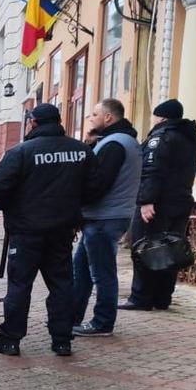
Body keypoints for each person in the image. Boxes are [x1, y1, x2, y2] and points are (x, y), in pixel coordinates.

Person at [0, 103, 105, 357]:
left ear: (34, 123)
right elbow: (95, 188)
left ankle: (10, 340)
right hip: (62, 230)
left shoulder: (21, 152)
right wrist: (72, 206)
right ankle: (62, 340)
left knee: (19, 286)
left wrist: (14, 208)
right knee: (62, 284)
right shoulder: (81, 151)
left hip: (26, 231)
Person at [121, 99, 196, 311]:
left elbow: (152, 169)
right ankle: (162, 297)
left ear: (162, 117)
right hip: (181, 201)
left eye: (155, 116)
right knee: (171, 249)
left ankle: (141, 298)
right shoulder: (192, 138)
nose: (153, 119)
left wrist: (147, 201)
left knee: (144, 248)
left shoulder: (161, 137)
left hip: (158, 203)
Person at [71, 98, 141, 336]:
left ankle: (103, 322)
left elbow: (98, 182)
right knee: (80, 268)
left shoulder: (114, 144)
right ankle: (72, 317)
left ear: (108, 117)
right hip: (104, 217)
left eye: (93, 114)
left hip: (104, 217)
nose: (90, 119)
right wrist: (90, 144)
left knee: (101, 273)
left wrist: (77, 201)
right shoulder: (120, 140)